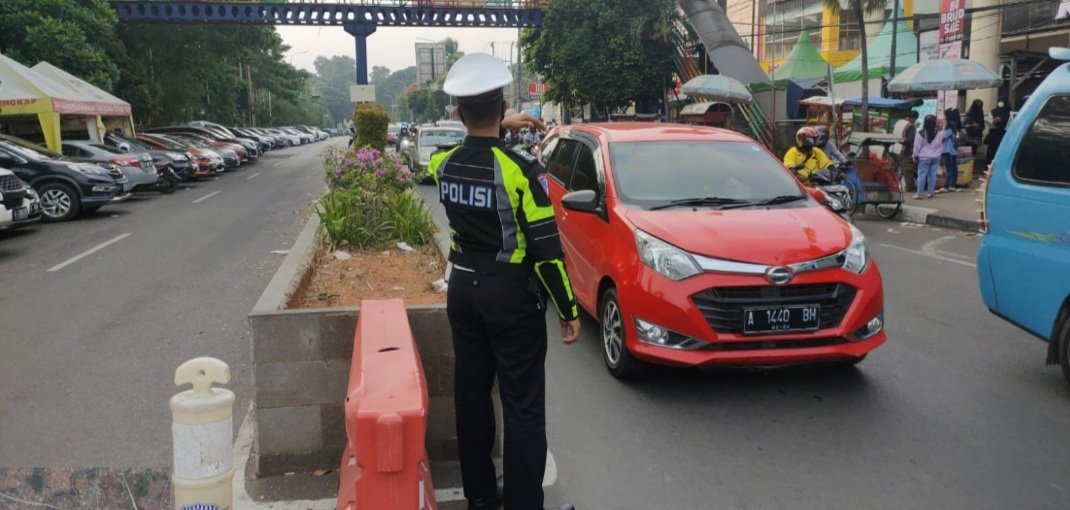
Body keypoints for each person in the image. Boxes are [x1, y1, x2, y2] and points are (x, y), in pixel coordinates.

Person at [429, 52, 580, 510]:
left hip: (463, 292)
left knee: (472, 397)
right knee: (522, 405)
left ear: (457, 112)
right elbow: (547, 251)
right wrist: (569, 310)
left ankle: (479, 496)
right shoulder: (522, 171)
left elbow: (471, 146)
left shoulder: (442, 165)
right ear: (502, 107)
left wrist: (494, 121)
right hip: (510, 297)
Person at [913, 114, 946, 199]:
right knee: (932, 175)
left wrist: (915, 155)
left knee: (922, 175)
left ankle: (919, 193)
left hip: (924, 157)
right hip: (935, 157)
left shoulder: (921, 133)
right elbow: (940, 145)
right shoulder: (939, 133)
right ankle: (930, 192)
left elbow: (917, 146)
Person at [892, 110, 919, 192]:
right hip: (904, 151)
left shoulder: (898, 122)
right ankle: (909, 187)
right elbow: (910, 141)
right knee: (908, 170)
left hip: (894, 149)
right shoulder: (910, 126)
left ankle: (893, 185)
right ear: (914, 118)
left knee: (894, 169)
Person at [938, 108, 961, 193]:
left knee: (949, 168)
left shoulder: (950, 124)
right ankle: (952, 185)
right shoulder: (955, 124)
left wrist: (940, 131)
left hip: (948, 149)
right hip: (953, 149)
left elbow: (944, 136)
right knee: (953, 167)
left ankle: (946, 186)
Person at [984, 97, 1011, 165]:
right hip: (994, 134)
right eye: (999, 101)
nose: (1000, 103)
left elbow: (1011, 121)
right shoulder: (993, 111)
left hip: (1003, 135)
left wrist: (1002, 119)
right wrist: (993, 120)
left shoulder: (1009, 112)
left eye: (1002, 101)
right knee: (991, 154)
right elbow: (989, 120)